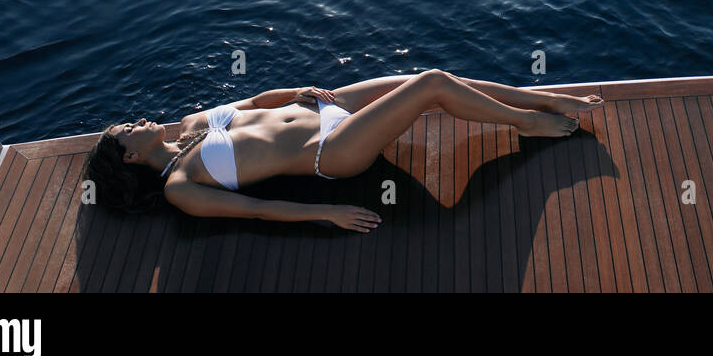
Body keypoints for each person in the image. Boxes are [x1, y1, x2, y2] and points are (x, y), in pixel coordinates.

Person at [83, 70, 602, 231]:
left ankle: (546, 98)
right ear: (129, 158)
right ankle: (527, 123)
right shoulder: (181, 186)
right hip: (330, 150)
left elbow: (256, 101)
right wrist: (328, 213)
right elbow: (258, 210)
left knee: (428, 72)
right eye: (127, 130)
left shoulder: (193, 122)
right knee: (432, 85)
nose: (138, 121)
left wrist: (295, 92)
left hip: (325, 109)